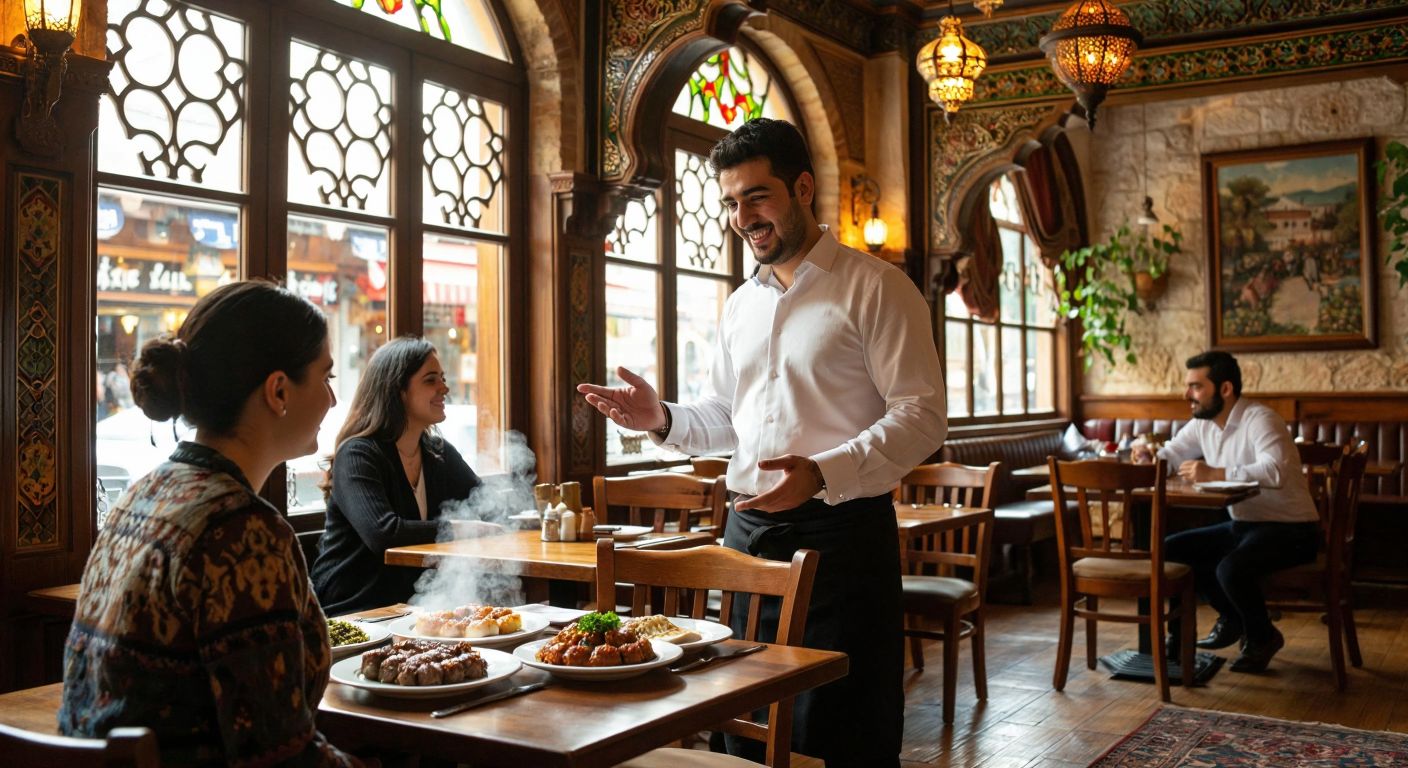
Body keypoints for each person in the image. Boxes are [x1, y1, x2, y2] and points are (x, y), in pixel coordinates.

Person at [578, 118, 947, 767]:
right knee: (741, 713)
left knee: (837, 723)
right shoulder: (739, 306)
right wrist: (660, 419)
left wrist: (823, 472)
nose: (742, 217)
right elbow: (728, 414)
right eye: (729, 202)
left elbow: (921, 415)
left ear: (802, 188)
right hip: (744, 539)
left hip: (842, 536)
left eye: (756, 196)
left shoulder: (877, 287)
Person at [60, 280, 359, 766]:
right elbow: (280, 757)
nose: (331, 399)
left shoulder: (144, 493)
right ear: (278, 390)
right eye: (325, 377)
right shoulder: (241, 532)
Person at [1154, 351, 1319, 673]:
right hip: (1245, 525)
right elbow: (1172, 453)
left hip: (1294, 529)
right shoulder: (1202, 423)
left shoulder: (1261, 418)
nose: (1187, 394)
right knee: (1170, 550)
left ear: (1225, 389)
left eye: (1196, 387)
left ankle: (1262, 637)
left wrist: (1216, 473)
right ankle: (1222, 622)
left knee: (1229, 569)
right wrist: (1150, 455)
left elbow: (1275, 471)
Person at [311, 337, 482, 615]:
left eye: (443, 378)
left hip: (412, 609)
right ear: (397, 391)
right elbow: (384, 533)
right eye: (430, 380)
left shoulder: (437, 452)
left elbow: (483, 501)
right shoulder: (358, 454)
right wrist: (463, 529)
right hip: (355, 611)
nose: (445, 388)